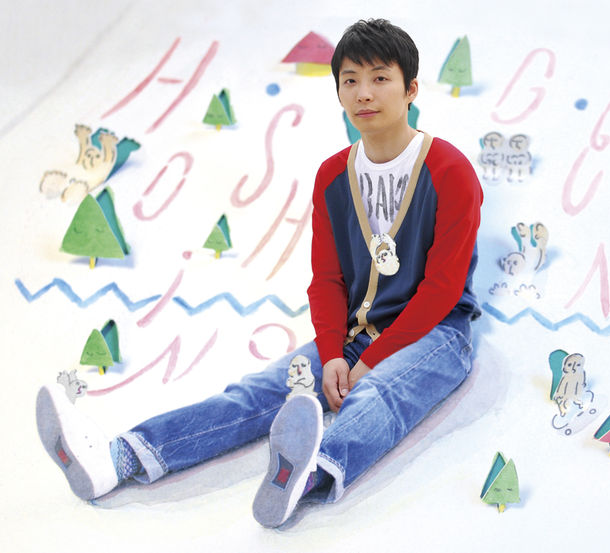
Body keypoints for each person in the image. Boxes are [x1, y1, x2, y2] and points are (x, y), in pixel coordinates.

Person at [35, 18, 483, 528]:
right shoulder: (333, 176)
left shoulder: (450, 172)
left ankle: (303, 476)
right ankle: (118, 460)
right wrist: (333, 355)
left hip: (438, 334)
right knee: (257, 393)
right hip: (355, 333)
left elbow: (442, 289)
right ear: (338, 91)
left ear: (411, 90)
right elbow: (327, 279)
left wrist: (368, 363)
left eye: (381, 78)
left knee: (379, 394)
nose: (364, 93)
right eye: (351, 80)